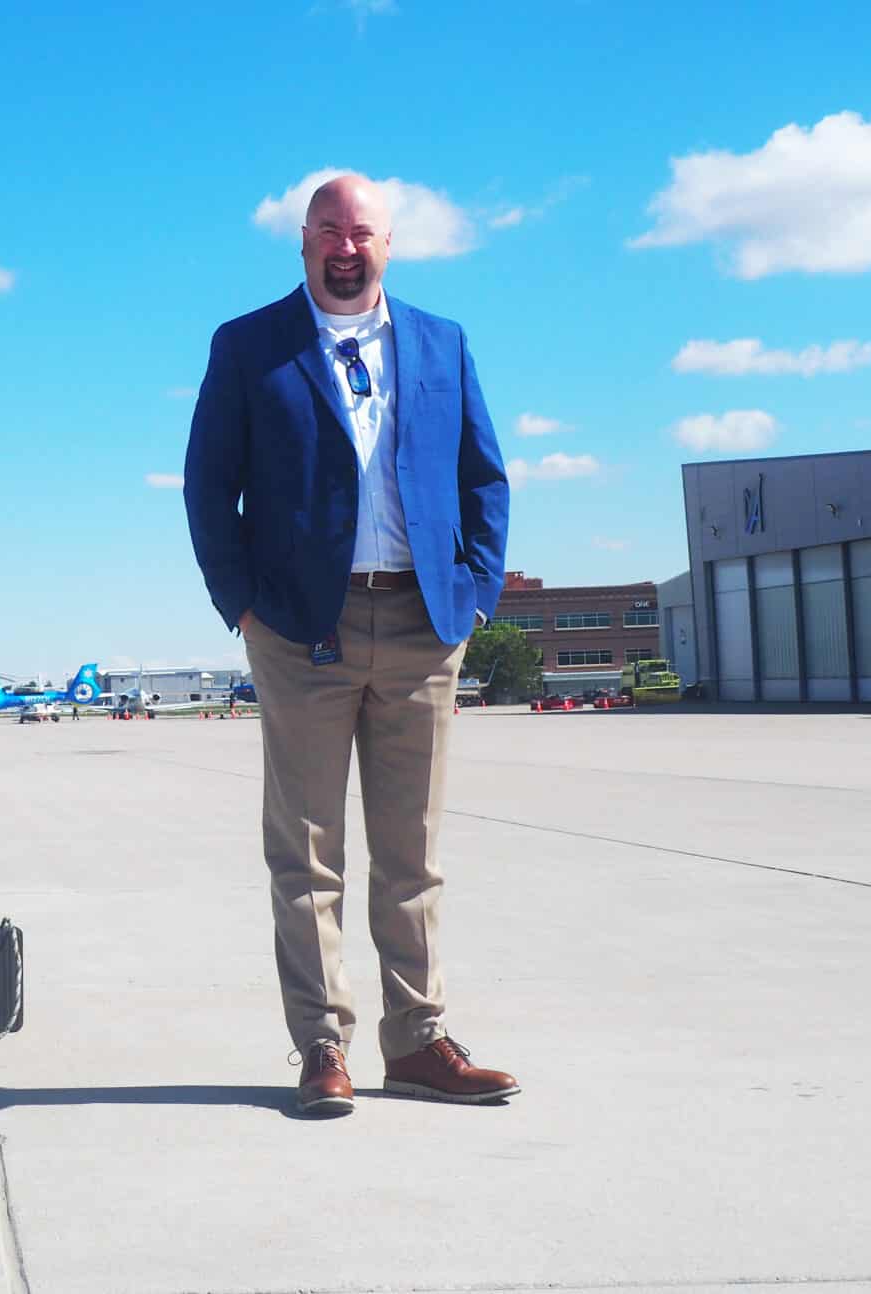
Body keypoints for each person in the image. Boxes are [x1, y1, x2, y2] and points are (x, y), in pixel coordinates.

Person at [183, 173, 517, 1117]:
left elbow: (482, 475)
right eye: (328, 228)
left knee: (412, 853)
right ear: (301, 242)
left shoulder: (441, 343)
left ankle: (416, 1043)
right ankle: (321, 1045)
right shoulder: (250, 347)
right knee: (306, 853)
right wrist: (242, 605)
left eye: (361, 231)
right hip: (299, 632)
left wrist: (476, 591)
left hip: (422, 623)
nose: (345, 244)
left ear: (388, 243)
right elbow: (210, 490)